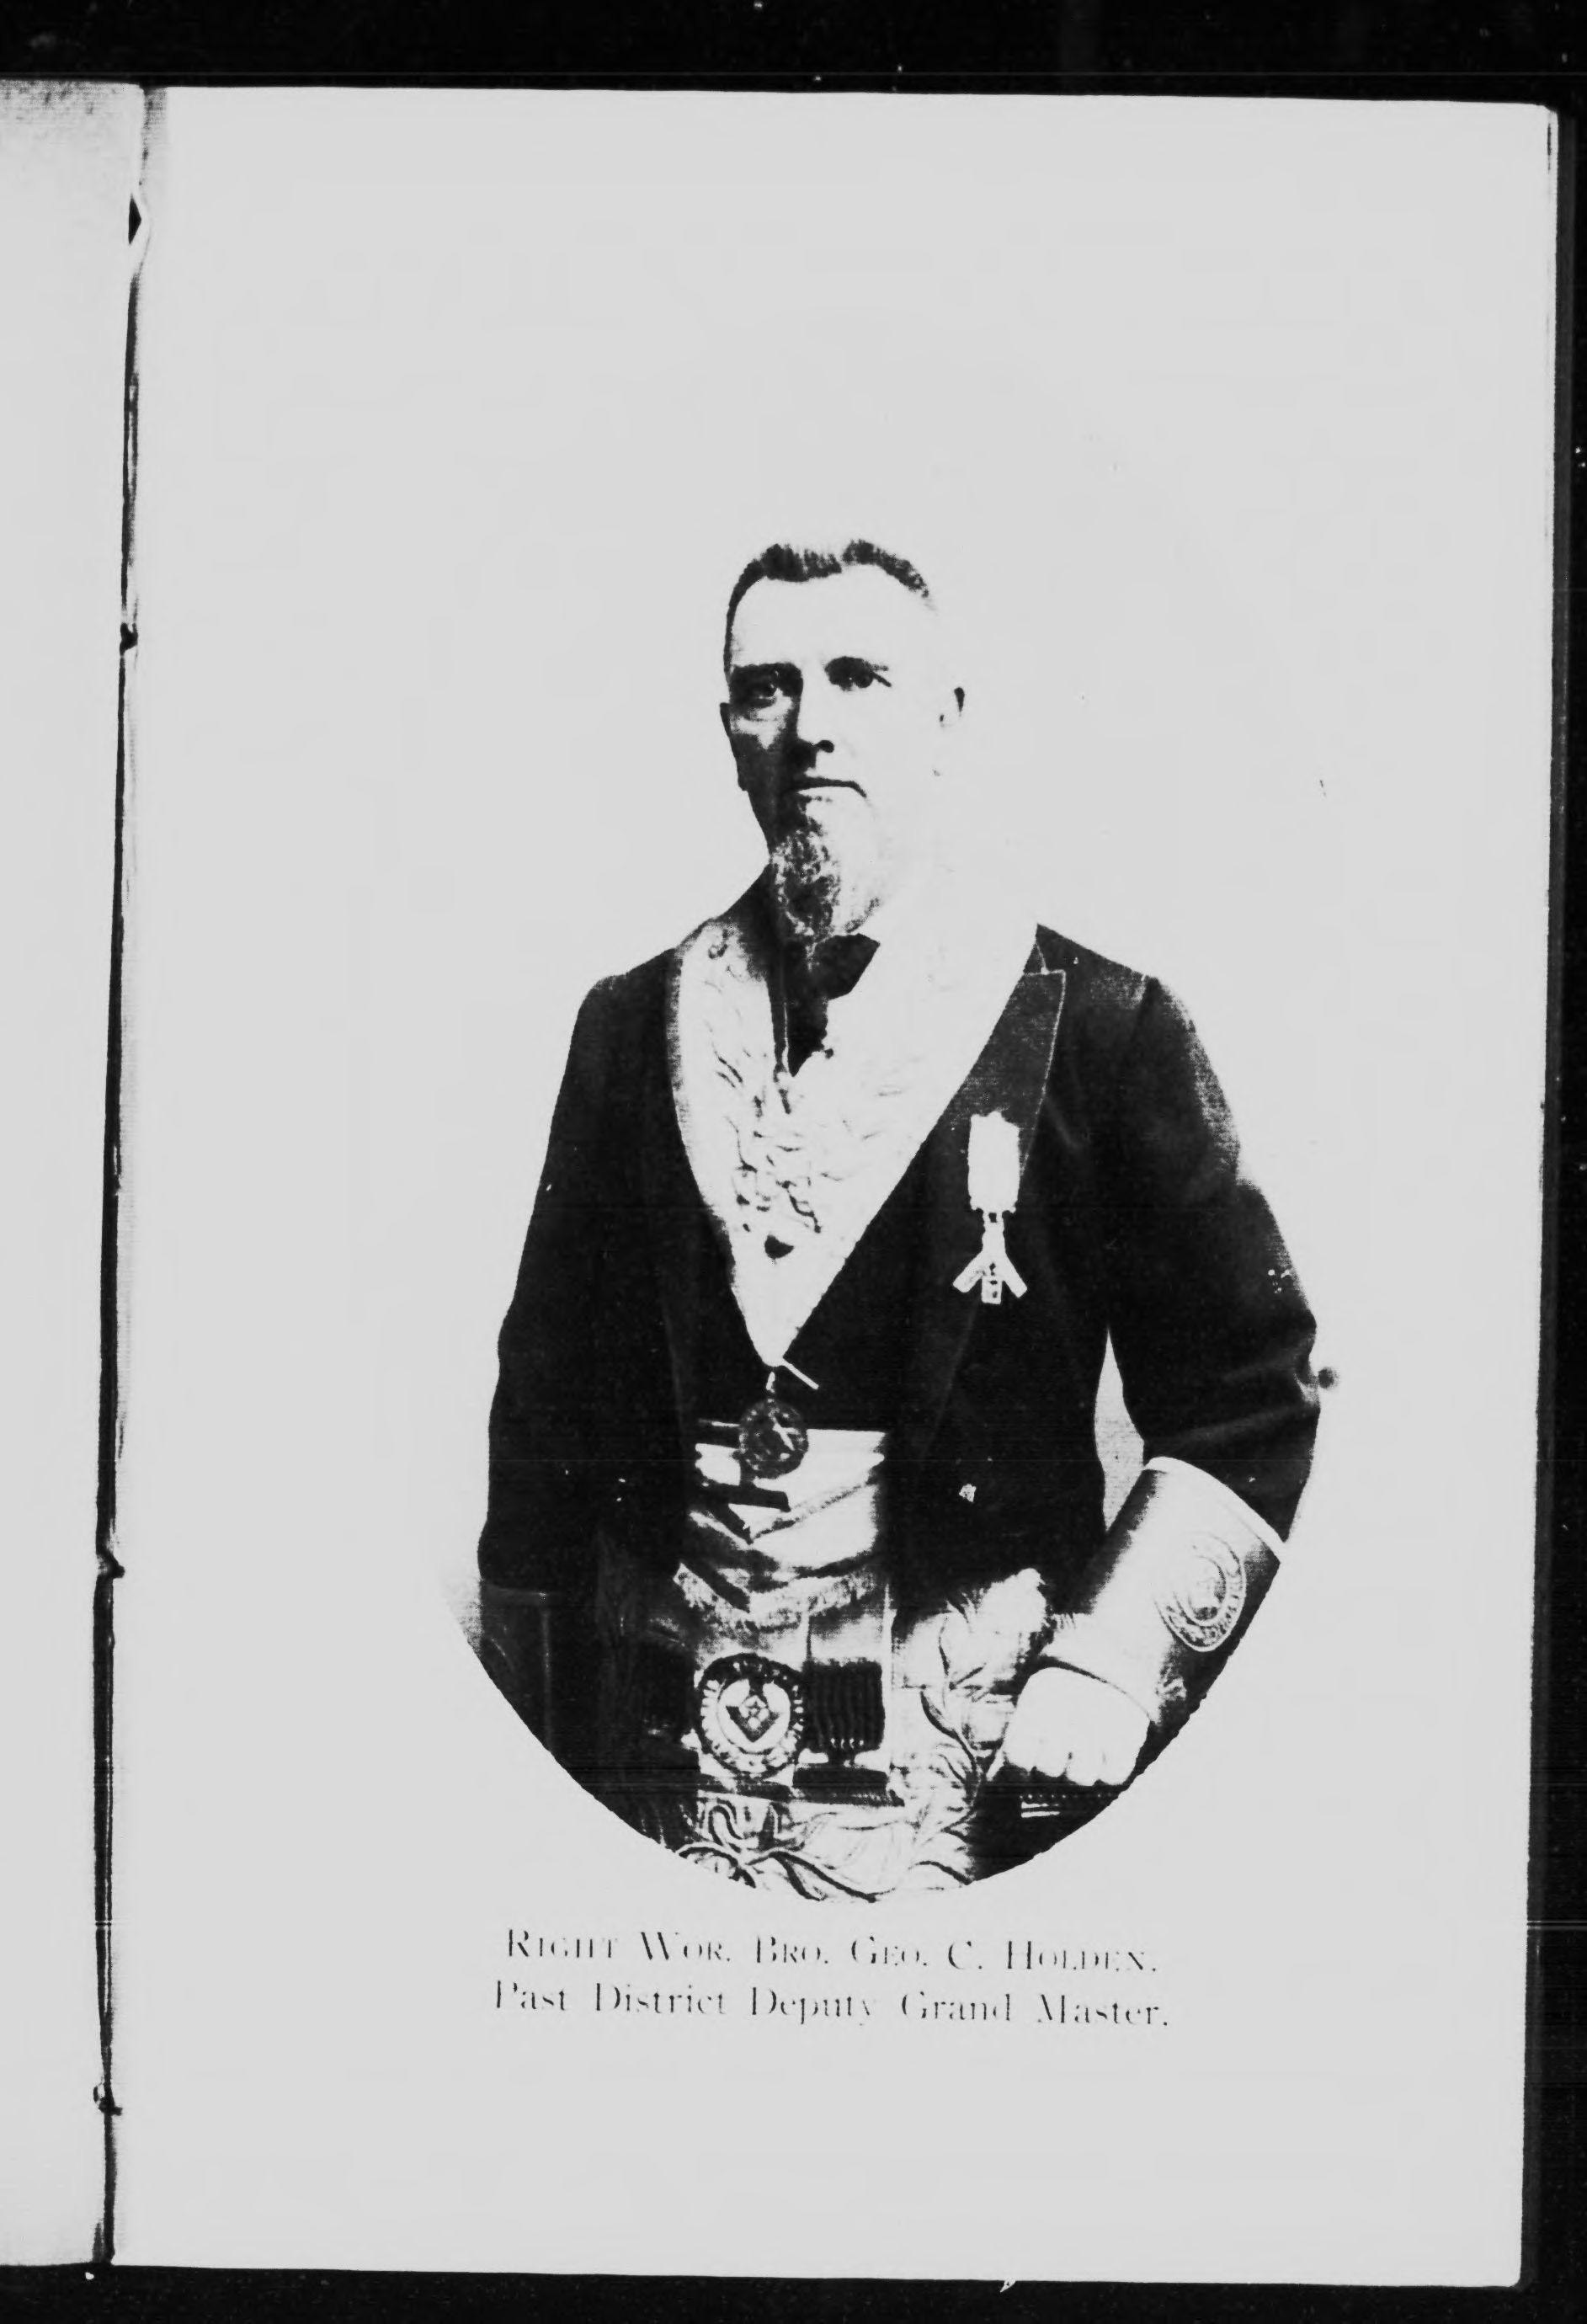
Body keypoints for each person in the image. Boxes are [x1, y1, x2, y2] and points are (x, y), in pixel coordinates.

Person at [477, 538, 1319, 1898]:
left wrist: (1110, 1661)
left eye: (858, 678)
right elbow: (542, 1414)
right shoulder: (626, 1026)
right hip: (656, 1785)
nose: (811, 725)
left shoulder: (1100, 1030)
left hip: (963, 1783)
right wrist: (527, 1750)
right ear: (730, 736)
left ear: (945, 721)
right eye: (768, 688)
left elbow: (1249, 1394)